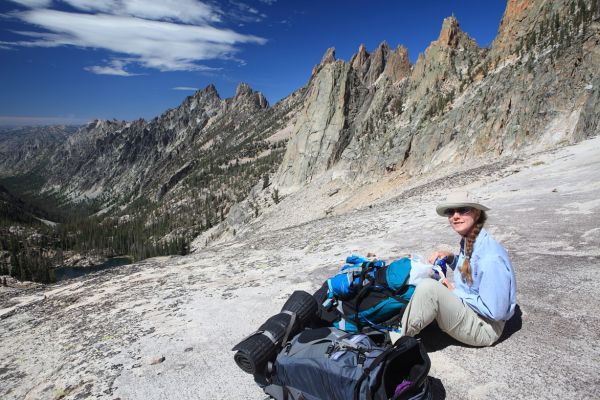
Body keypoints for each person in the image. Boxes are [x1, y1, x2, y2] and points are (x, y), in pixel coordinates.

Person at [399, 191, 517, 346]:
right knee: (423, 278)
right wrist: (452, 259)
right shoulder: (471, 241)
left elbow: (495, 312)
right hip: (473, 314)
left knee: (429, 288)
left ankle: (397, 340)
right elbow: (473, 274)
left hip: (486, 328)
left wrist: (454, 292)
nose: (455, 216)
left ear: (476, 213)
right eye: (450, 212)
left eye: (462, 210)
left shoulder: (491, 259)